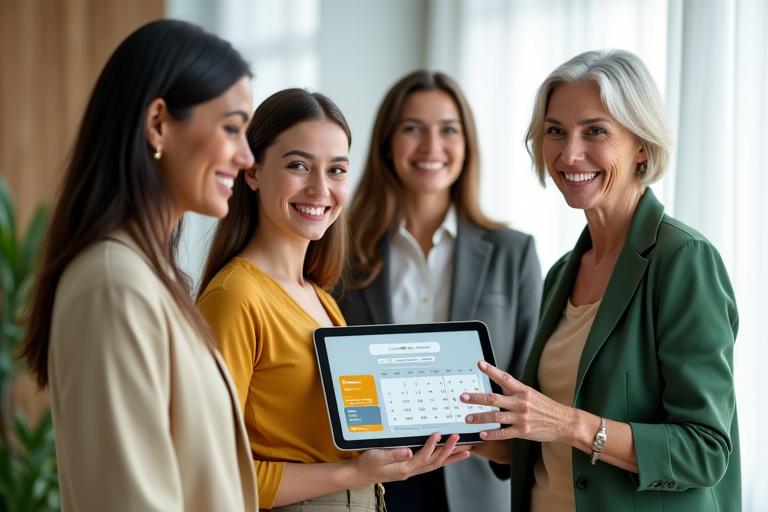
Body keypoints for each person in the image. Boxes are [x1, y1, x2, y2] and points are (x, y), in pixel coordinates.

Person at [460, 49, 740, 511]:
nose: (570, 154)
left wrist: (567, 423)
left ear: (642, 146)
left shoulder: (683, 260)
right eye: (555, 132)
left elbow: (706, 451)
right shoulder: (563, 271)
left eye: (595, 131)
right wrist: (469, 435)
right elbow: (549, 442)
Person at [19, 20, 258, 511]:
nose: (246, 155)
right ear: (158, 124)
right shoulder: (114, 283)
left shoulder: (151, 276)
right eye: (232, 128)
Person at [196, 88, 470, 511]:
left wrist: (397, 460)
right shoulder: (235, 297)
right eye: (298, 165)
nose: (319, 188)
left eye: (337, 170)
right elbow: (209, 472)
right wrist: (355, 473)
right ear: (251, 171)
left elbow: (332, 443)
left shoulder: (320, 298)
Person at [335, 70, 543, 511]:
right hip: (374, 482)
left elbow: (531, 381)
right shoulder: (341, 250)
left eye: (448, 130)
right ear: (388, 144)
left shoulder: (514, 252)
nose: (432, 147)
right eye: (413, 129)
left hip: (477, 482)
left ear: (466, 145)